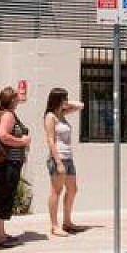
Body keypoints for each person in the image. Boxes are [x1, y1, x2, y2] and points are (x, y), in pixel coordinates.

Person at [0, 86, 31, 248]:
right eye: (16, 96)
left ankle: (1, 233)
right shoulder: (7, 115)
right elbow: (3, 135)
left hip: (10, 162)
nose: (19, 98)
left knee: (5, 195)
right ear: (12, 99)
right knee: (4, 196)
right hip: (7, 163)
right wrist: (22, 141)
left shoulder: (8, 113)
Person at [43, 87, 84, 237]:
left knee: (73, 189)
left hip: (68, 157)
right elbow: (50, 140)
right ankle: (54, 226)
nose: (66, 101)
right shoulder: (50, 116)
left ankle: (67, 222)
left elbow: (81, 105)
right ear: (57, 100)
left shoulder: (62, 114)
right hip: (58, 158)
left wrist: (66, 104)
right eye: (64, 98)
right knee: (56, 191)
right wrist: (58, 162)